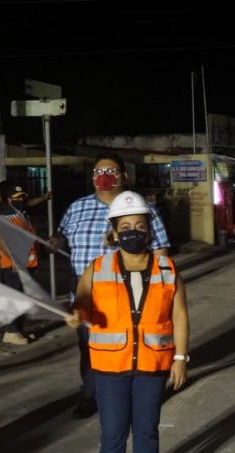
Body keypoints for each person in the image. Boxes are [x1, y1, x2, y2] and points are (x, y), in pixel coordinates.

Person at [66, 191, 189, 453]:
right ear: (113, 232)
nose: (133, 231)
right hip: (110, 366)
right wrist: (77, 314)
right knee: (113, 432)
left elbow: (179, 315)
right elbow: (81, 304)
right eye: (125, 227)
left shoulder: (167, 268)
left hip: (152, 363)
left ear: (149, 230)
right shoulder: (98, 268)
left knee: (146, 430)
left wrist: (180, 358)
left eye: (139, 225)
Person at [52, 153, 171, 419]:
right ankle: (90, 395)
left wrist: (158, 289)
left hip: (128, 296)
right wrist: (54, 241)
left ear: (124, 176)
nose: (104, 177)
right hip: (85, 296)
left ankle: (132, 394)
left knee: (131, 347)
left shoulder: (141, 209)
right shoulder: (76, 208)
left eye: (111, 171)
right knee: (90, 349)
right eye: (98, 172)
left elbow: (161, 251)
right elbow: (60, 236)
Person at [0, 180, 51, 345]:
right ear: (9, 199)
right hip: (14, 266)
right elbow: (1, 240)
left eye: (22, 197)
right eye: (17, 197)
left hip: (27, 264)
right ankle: (11, 332)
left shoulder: (22, 214)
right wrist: (15, 260)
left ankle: (18, 330)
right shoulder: (6, 216)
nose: (21, 200)